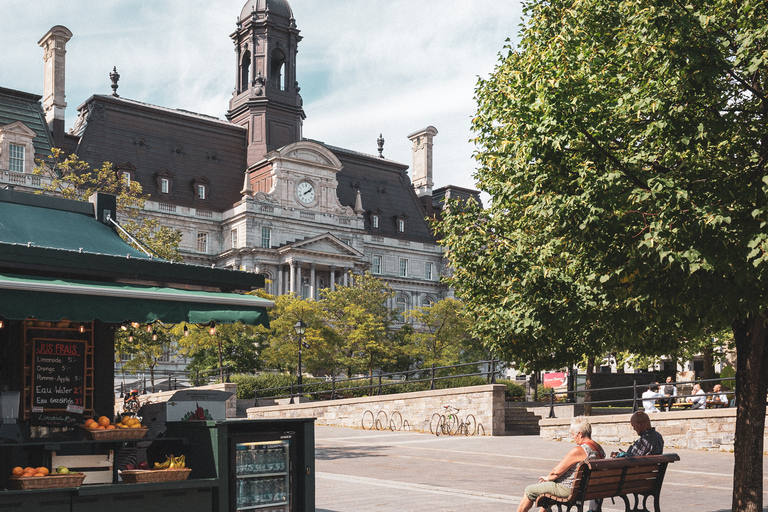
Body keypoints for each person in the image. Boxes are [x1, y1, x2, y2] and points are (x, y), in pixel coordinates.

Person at [516, 417, 605, 512]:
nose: (572, 437)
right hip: (587, 489)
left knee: (529, 490)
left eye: (573, 434)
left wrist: (547, 478)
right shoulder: (599, 449)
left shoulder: (579, 450)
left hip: (569, 489)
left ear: (580, 434)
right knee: (547, 495)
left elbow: (555, 472)